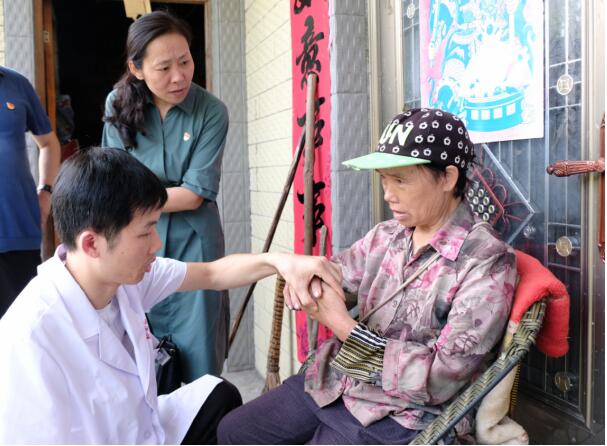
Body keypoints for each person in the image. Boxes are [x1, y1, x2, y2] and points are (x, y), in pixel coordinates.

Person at [0, 147, 343, 444]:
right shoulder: (29, 337)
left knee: (218, 395)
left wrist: (280, 262)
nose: (157, 244)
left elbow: (213, 274)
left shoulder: (121, 275)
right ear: (92, 243)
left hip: (143, 430)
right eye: (146, 232)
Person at [217, 108, 517, 444]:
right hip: (333, 381)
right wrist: (306, 277)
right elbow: (333, 275)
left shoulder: (487, 260)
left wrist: (342, 325)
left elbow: (440, 379)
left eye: (400, 180)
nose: (388, 194)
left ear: (447, 178)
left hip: (401, 414)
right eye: (384, 179)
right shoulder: (387, 236)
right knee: (234, 431)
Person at [101, 11, 230, 381]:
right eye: (164, 67)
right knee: (137, 347)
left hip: (195, 240)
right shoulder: (117, 104)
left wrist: (135, 200)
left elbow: (194, 195)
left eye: (185, 61)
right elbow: (112, 180)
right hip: (136, 239)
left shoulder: (211, 111)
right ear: (137, 68)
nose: (179, 76)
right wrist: (134, 200)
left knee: (200, 350)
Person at [0, 65, 61, 316]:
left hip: (18, 229)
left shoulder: (17, 84)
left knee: (22, 325)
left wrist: (46, 190)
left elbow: (48, 143)